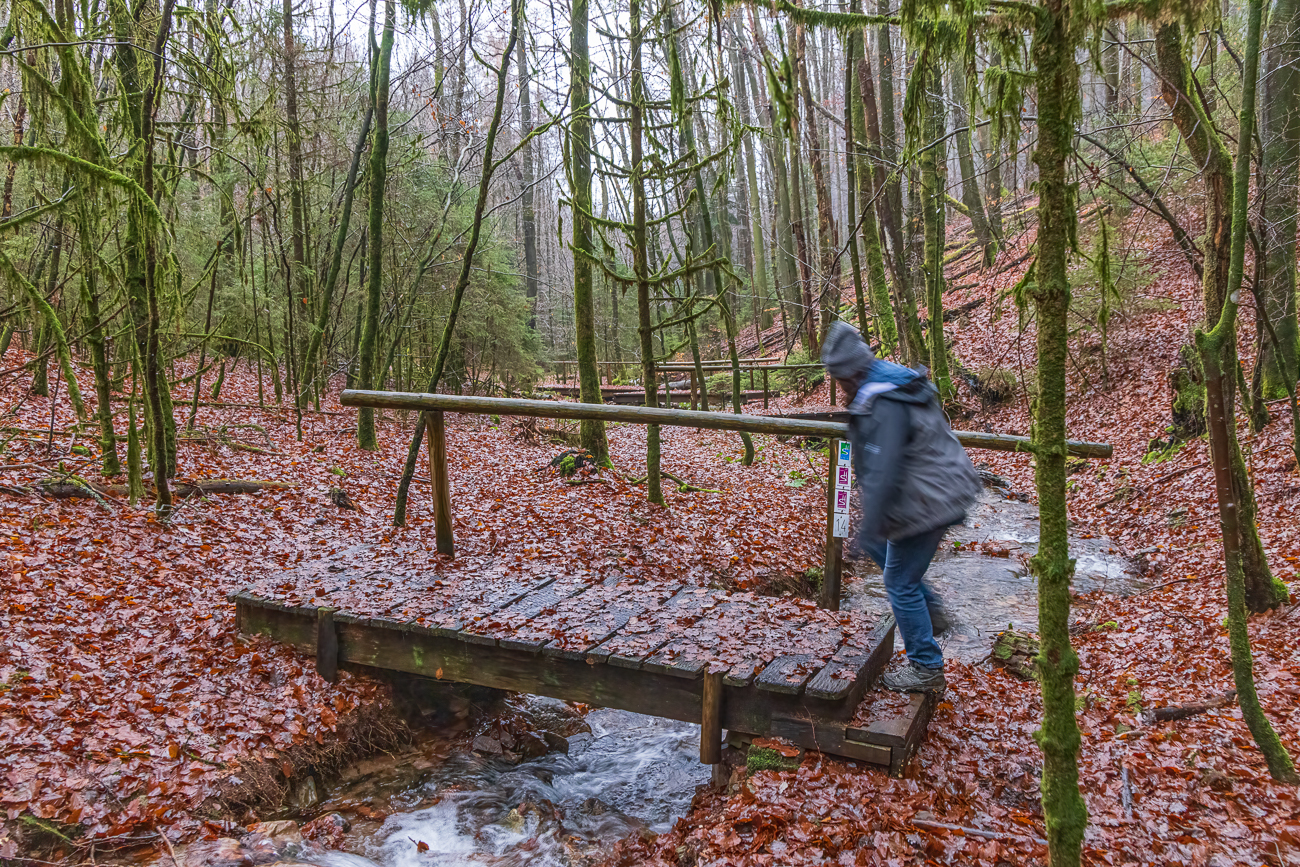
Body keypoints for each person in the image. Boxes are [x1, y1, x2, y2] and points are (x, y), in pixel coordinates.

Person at [821, 321, 981, 693]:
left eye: (840, 379)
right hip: (939, 489)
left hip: (929, 498)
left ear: (853, 372)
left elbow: (884, 467)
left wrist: (868, 525)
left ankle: (926, 667)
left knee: (898, 581)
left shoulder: (885, 400)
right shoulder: (890, 384)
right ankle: (930, 612)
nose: (839, 387)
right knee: (886, 553)